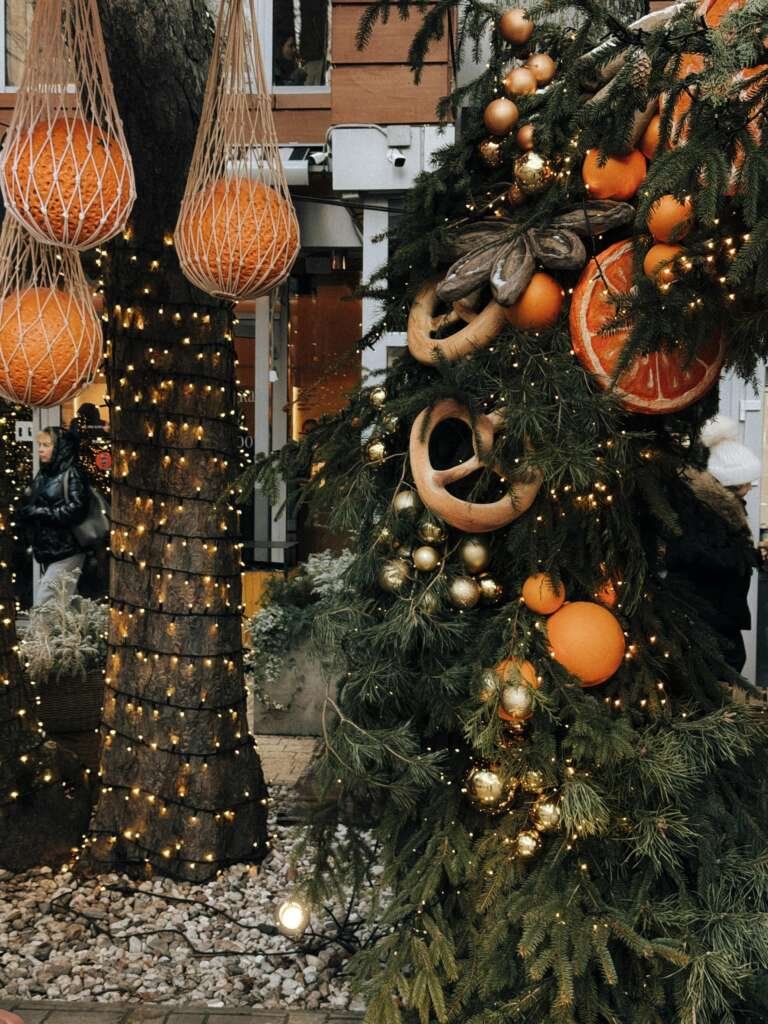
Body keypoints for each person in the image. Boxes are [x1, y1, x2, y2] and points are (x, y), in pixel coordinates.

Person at [666, 415, 764, 672]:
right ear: (727, 483)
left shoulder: (726, 507)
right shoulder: (701, 511)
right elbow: (699, 554)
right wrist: (749, 556)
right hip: (707, 611)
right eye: (746, 482)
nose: (750, 487)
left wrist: (755, 556)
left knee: (732, 662)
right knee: (724, 667)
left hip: (721, 611)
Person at [20, 427, 90, 606]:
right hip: (52, 551)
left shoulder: (72, 474)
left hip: (68, 550)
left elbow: (77, 509)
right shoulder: (44, 474)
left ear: (60, 448)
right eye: (39, 445)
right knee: (66, 607)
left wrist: (40, 512)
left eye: (46, 445)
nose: (40, 450)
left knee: (46, 604)